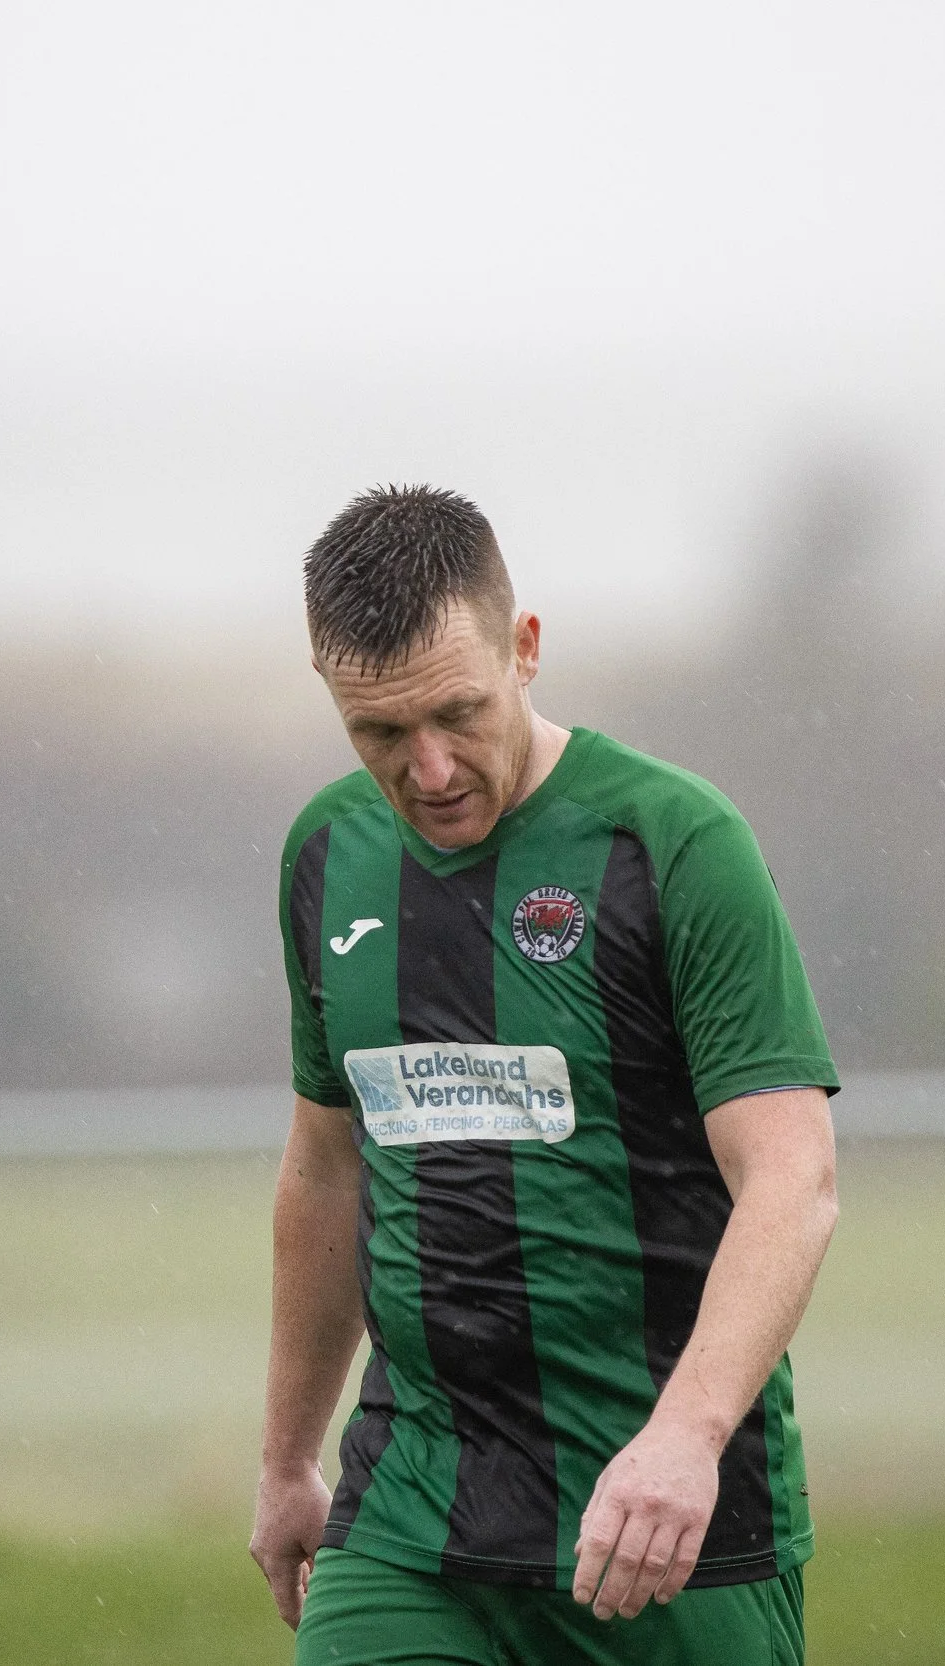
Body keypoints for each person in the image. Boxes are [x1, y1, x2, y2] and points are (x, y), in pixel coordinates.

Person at [250, 488, 841, 1666]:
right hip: (414, 1521)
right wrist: (285, 1459)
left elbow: (791, 1176)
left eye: (457, 712)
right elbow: (326, 1173)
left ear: (524, 648)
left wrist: (686, 1437)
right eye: (379, 732)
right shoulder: (327, 856)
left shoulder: (672, 843)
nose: (427, 767)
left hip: (674, 1519)